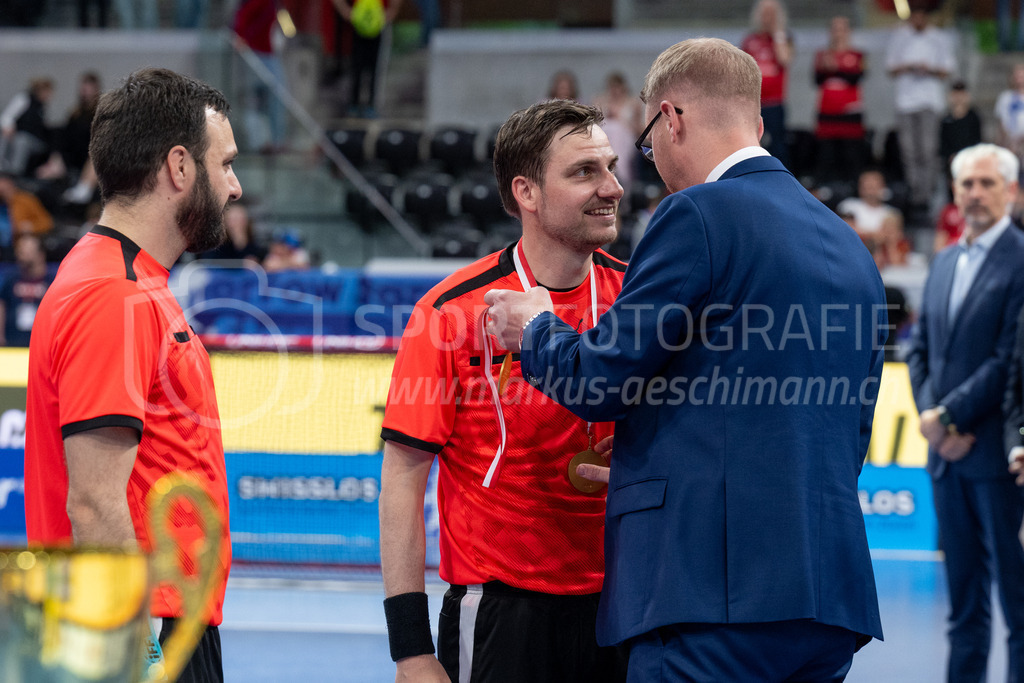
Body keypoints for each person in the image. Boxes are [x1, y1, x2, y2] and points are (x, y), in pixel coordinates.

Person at [484, 37, 886, 680]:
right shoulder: (849, 246)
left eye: (645, 145)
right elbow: (843, 433)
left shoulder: (695, 214)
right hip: (829, 598)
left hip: (710, 597)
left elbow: (599, 380)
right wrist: (666, 469)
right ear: (756, 124)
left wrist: (535, 327)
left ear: (670, 119)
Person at [378, 99, 629, 683]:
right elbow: (402, 480)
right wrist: (410, 649)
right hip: (497, 612)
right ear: (527, 192)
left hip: (624, 605)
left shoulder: (637, 299)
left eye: (610, 167)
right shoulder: (447, 312)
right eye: (584, 172)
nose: (612, 187)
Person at [23, 67, 243, 683]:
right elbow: (94, 501)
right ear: (179, 167)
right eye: (224, 164)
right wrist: (140, 654)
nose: (236, 186)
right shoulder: (112, 293)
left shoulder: (128, 282)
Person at [906, 142, 1024, 682]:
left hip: (998, 455)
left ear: (1011, 191)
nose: (976, 194)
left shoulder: (1020, 260)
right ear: (954, 194)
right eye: (967, 185)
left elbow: (1009, 359)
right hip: (948, 460)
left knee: (1019, 610)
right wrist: (934, 418)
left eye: (987, 184)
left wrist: (949, 418)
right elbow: (918, 348)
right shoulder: (945, 260)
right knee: (964, 608)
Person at [885, 1, 955, 218]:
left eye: (921, 16)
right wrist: (907, 67)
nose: (918, 19)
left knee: (927, 150)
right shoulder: (899, 36)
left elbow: (946, 71)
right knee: (909, 152)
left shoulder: (938, 38)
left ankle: (927, 195)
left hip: (929, 102)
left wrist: (929, 69)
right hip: (906, 102)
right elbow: (890, 68)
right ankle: (915, 195)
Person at [813, 15, 865, 184]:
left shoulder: (858, 55)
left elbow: (856, 77)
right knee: (826, 158)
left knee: (851, 158)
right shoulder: (822, 55)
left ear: (849, 32)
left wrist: (835, 69)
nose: (838, 33)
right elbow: (817, 80)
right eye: (835, 29)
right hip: (827, 114)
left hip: (850, 115)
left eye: (842, 29)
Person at [741, 0, 793, 168]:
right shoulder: (750, 40)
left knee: (778, 144)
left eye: (772, 13)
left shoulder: (784, 38)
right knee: (751, 144)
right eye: (765, 13)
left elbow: (785, 59)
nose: (768, 17)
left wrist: (777, 33)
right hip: (753, 103)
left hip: (775, 103)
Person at [332, 0, 403, 118]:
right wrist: (344, 10)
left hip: (378, 26)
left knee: (376, 69)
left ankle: (372, 105)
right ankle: (354, 104)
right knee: (356, 67)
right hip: (359, 25)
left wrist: (393, 10)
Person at [836, 169, 908, 267]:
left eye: (874, 187)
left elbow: (895, 237)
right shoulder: (848, 205)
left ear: (883, 187)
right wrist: (877, 234)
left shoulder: (892, 212)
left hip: (883, 263)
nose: (870, 191)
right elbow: (845, 231)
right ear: (860, 187)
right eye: (867, 187)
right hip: (851, 259)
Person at [592, 71, 644, 192]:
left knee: (617, 130)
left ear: (623, 87)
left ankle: (619, 171)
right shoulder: (600, 101)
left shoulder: (632, 103)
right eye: (612, 87)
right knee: (611, 128)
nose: (615, 90)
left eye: (618, 87)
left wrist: (621, 120)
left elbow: (639, 130)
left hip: (625, 137)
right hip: (606, 136)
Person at [0, 234, 50, 347]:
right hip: (13, 343)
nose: (21, 254)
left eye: (26, 250)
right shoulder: (11, 280)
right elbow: (1, 305)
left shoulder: (52, 282)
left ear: (40, 254)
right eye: (19, 250)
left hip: (41, 344)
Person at [0, 77, 55, 178]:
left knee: (22, 140)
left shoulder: (43, 107)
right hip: (17, 136)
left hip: (35, 142)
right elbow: (6, 117)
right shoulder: (24, 99)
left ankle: (15, 174)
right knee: (10, 137)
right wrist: (9, 127)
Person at [0, 171, 54, 254]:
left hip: (18, 243)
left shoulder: (26, 200)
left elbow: (47, 223)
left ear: (10, 184)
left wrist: (31, 227)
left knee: (29, 243)